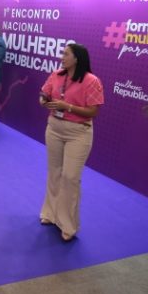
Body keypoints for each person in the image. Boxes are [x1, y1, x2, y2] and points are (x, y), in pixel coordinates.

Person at [39, 43, 104, 241]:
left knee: (70, 177)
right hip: (54, 129)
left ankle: (68, 225)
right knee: (54, 173)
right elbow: (44, 92)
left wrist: (67, 106)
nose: (62, 57)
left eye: (66, 54)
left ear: (77, 58)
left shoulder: (91, 80)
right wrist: (44, 100)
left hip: (78, 133)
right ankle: (50, 214)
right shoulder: (56, 75)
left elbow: (93, 111)